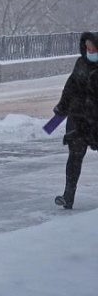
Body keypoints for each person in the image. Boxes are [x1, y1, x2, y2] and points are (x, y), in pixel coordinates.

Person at [52, 31, 98, 209]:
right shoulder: (80, 64)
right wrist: (61, 109)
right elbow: (69, 88)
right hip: (78, 120)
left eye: (93, 48)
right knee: (74, 157)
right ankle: (68, 196)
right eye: (87, 48)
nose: (90, 51)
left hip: (96, 121)